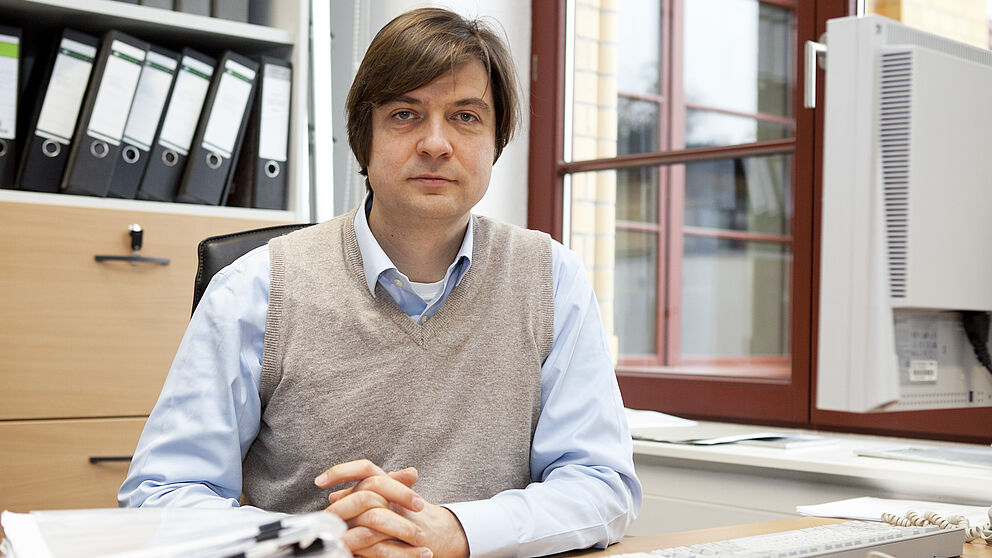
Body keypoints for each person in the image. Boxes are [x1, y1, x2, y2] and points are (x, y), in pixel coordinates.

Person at [119, 7, 641, 558]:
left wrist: (454, 532)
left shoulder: (551, 279)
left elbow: (601, 485)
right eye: (404, 115)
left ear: (496, 144)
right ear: (363, 140)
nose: (436, 143)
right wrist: (319, 540)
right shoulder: (256, 287)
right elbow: (161, 492)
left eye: (465, 117)